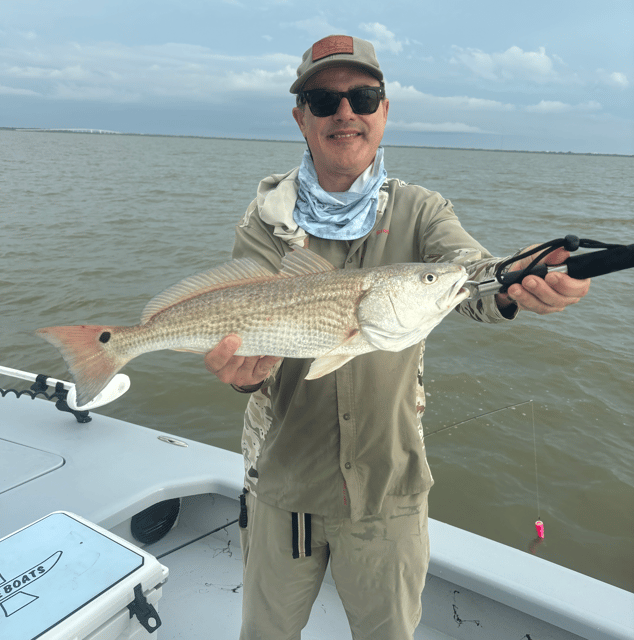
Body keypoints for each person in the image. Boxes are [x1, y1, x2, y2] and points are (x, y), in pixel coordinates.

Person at [205, 35, 590, 640]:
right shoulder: (266, 220)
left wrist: (519, 280)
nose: (345, 113)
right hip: (284, 487)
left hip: (391, 490)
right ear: (300, 117)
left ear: (385, 110)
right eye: (323, 99)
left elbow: (474, 277)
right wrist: (242, 374)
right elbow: (241, 333)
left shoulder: (422, 212)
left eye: (363, 96)